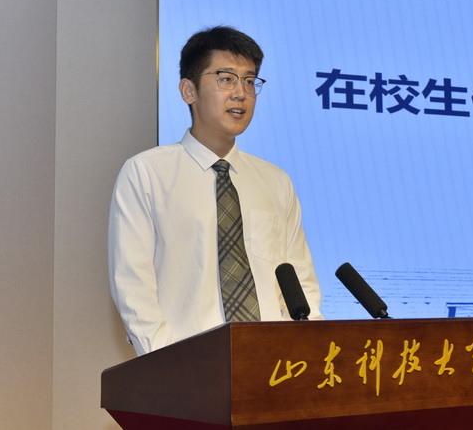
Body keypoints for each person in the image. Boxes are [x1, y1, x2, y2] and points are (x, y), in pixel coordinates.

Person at [108, 26, 323, 356]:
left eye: (249, 81)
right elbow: (133, 286)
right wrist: (168, 363)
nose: (241, 93)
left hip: (270, 366)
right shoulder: (146, 173)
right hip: (184, 366)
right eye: (226, 79)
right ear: (188, 90)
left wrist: (311, 353)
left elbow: (301, 282)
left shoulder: (275, 181)